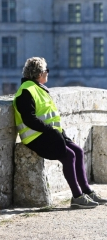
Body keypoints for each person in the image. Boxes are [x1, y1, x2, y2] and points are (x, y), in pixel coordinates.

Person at [14, 56, 107, 208]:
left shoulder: (38, 88)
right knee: (69, 155)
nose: (47, 73)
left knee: (78, 151)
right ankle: (77, 196)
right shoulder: (26, 92)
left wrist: (58, 133)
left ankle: (87, 191)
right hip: (36, 137)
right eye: (46, 70)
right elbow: (29, 119)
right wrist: (51, 131)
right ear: (39, 73)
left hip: (50, 134)